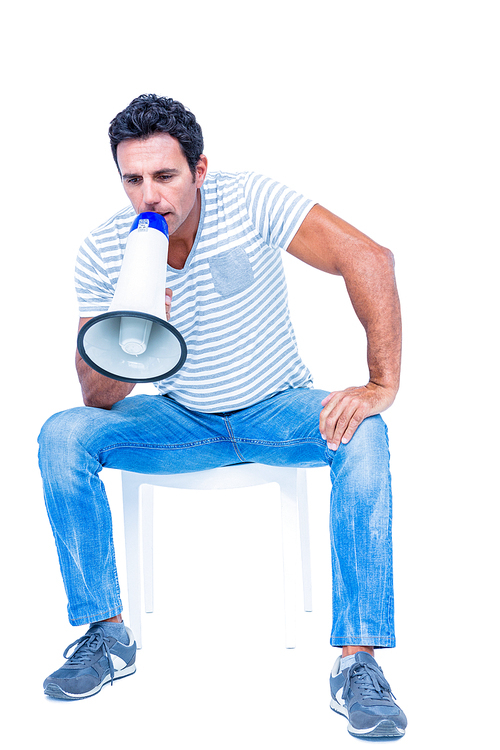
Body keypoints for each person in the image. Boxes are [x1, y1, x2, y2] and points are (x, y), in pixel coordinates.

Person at [38, 94, 406, 740]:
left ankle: (357, 664)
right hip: (183, 422)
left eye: (165, 176)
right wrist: (140, 327)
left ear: (199, 170)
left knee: (367, 436)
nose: (149, 195)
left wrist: (381, 384)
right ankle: (106, 633)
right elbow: (97, 397)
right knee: (62, 436)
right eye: (133, 179)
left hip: (279, 408)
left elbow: (369, 258)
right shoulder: (102, 252)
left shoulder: (249, 201)